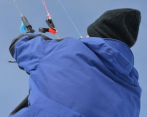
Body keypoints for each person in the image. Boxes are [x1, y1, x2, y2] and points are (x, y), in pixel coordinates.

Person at [9, 8, 142, 117]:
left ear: (95, 34)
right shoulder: (134, 95)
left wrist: (55, 44)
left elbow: (19, 45)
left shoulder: (66, 48)